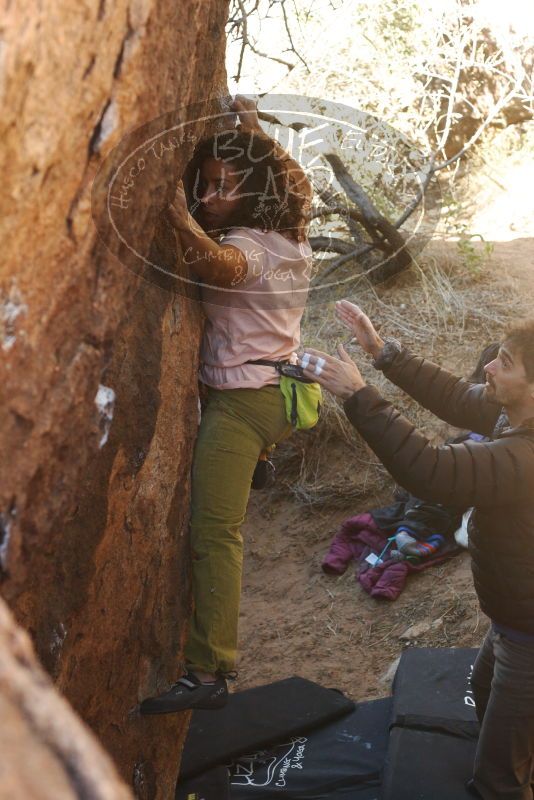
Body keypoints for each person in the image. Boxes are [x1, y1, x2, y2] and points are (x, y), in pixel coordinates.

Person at [298, 299, 534, 800]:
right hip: (514, 623)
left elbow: (430, 469)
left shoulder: (524, 458)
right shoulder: (512, 415)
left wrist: (359, 395)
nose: (489, 366)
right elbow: (453, 395)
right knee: (490, 699)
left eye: (505, 363)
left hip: (529, 637)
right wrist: (383, 352)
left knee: (498, 780)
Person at [140, 97, 313, 714]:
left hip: (242, 404)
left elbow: (222, 262)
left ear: (252, 192)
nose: (209, 196)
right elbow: (294, 180)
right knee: (222, 511)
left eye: (223, 187)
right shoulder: (291, 233)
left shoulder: (251, 245)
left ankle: (209, 670)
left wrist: (174, 213)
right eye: (203, 185)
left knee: (216, 532)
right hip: (279, 395)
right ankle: (257, 461)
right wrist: (252, 129)